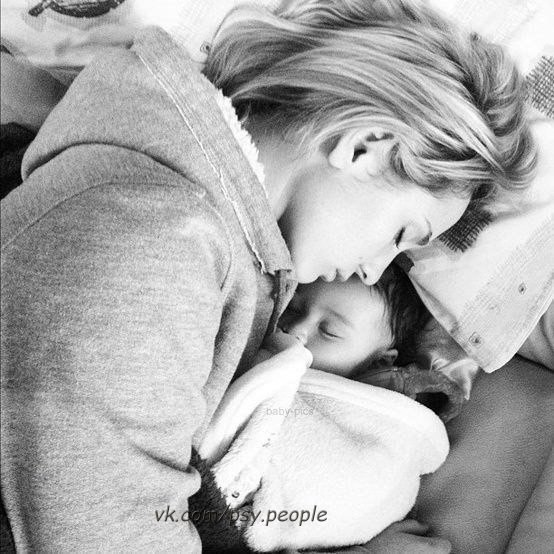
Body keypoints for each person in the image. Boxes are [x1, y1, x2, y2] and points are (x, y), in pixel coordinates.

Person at [0, 1, 537, 552]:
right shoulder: (155, 240)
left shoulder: (209, 238)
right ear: (364, 147)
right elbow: (108, 532)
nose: (374, 268)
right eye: (401, 234)